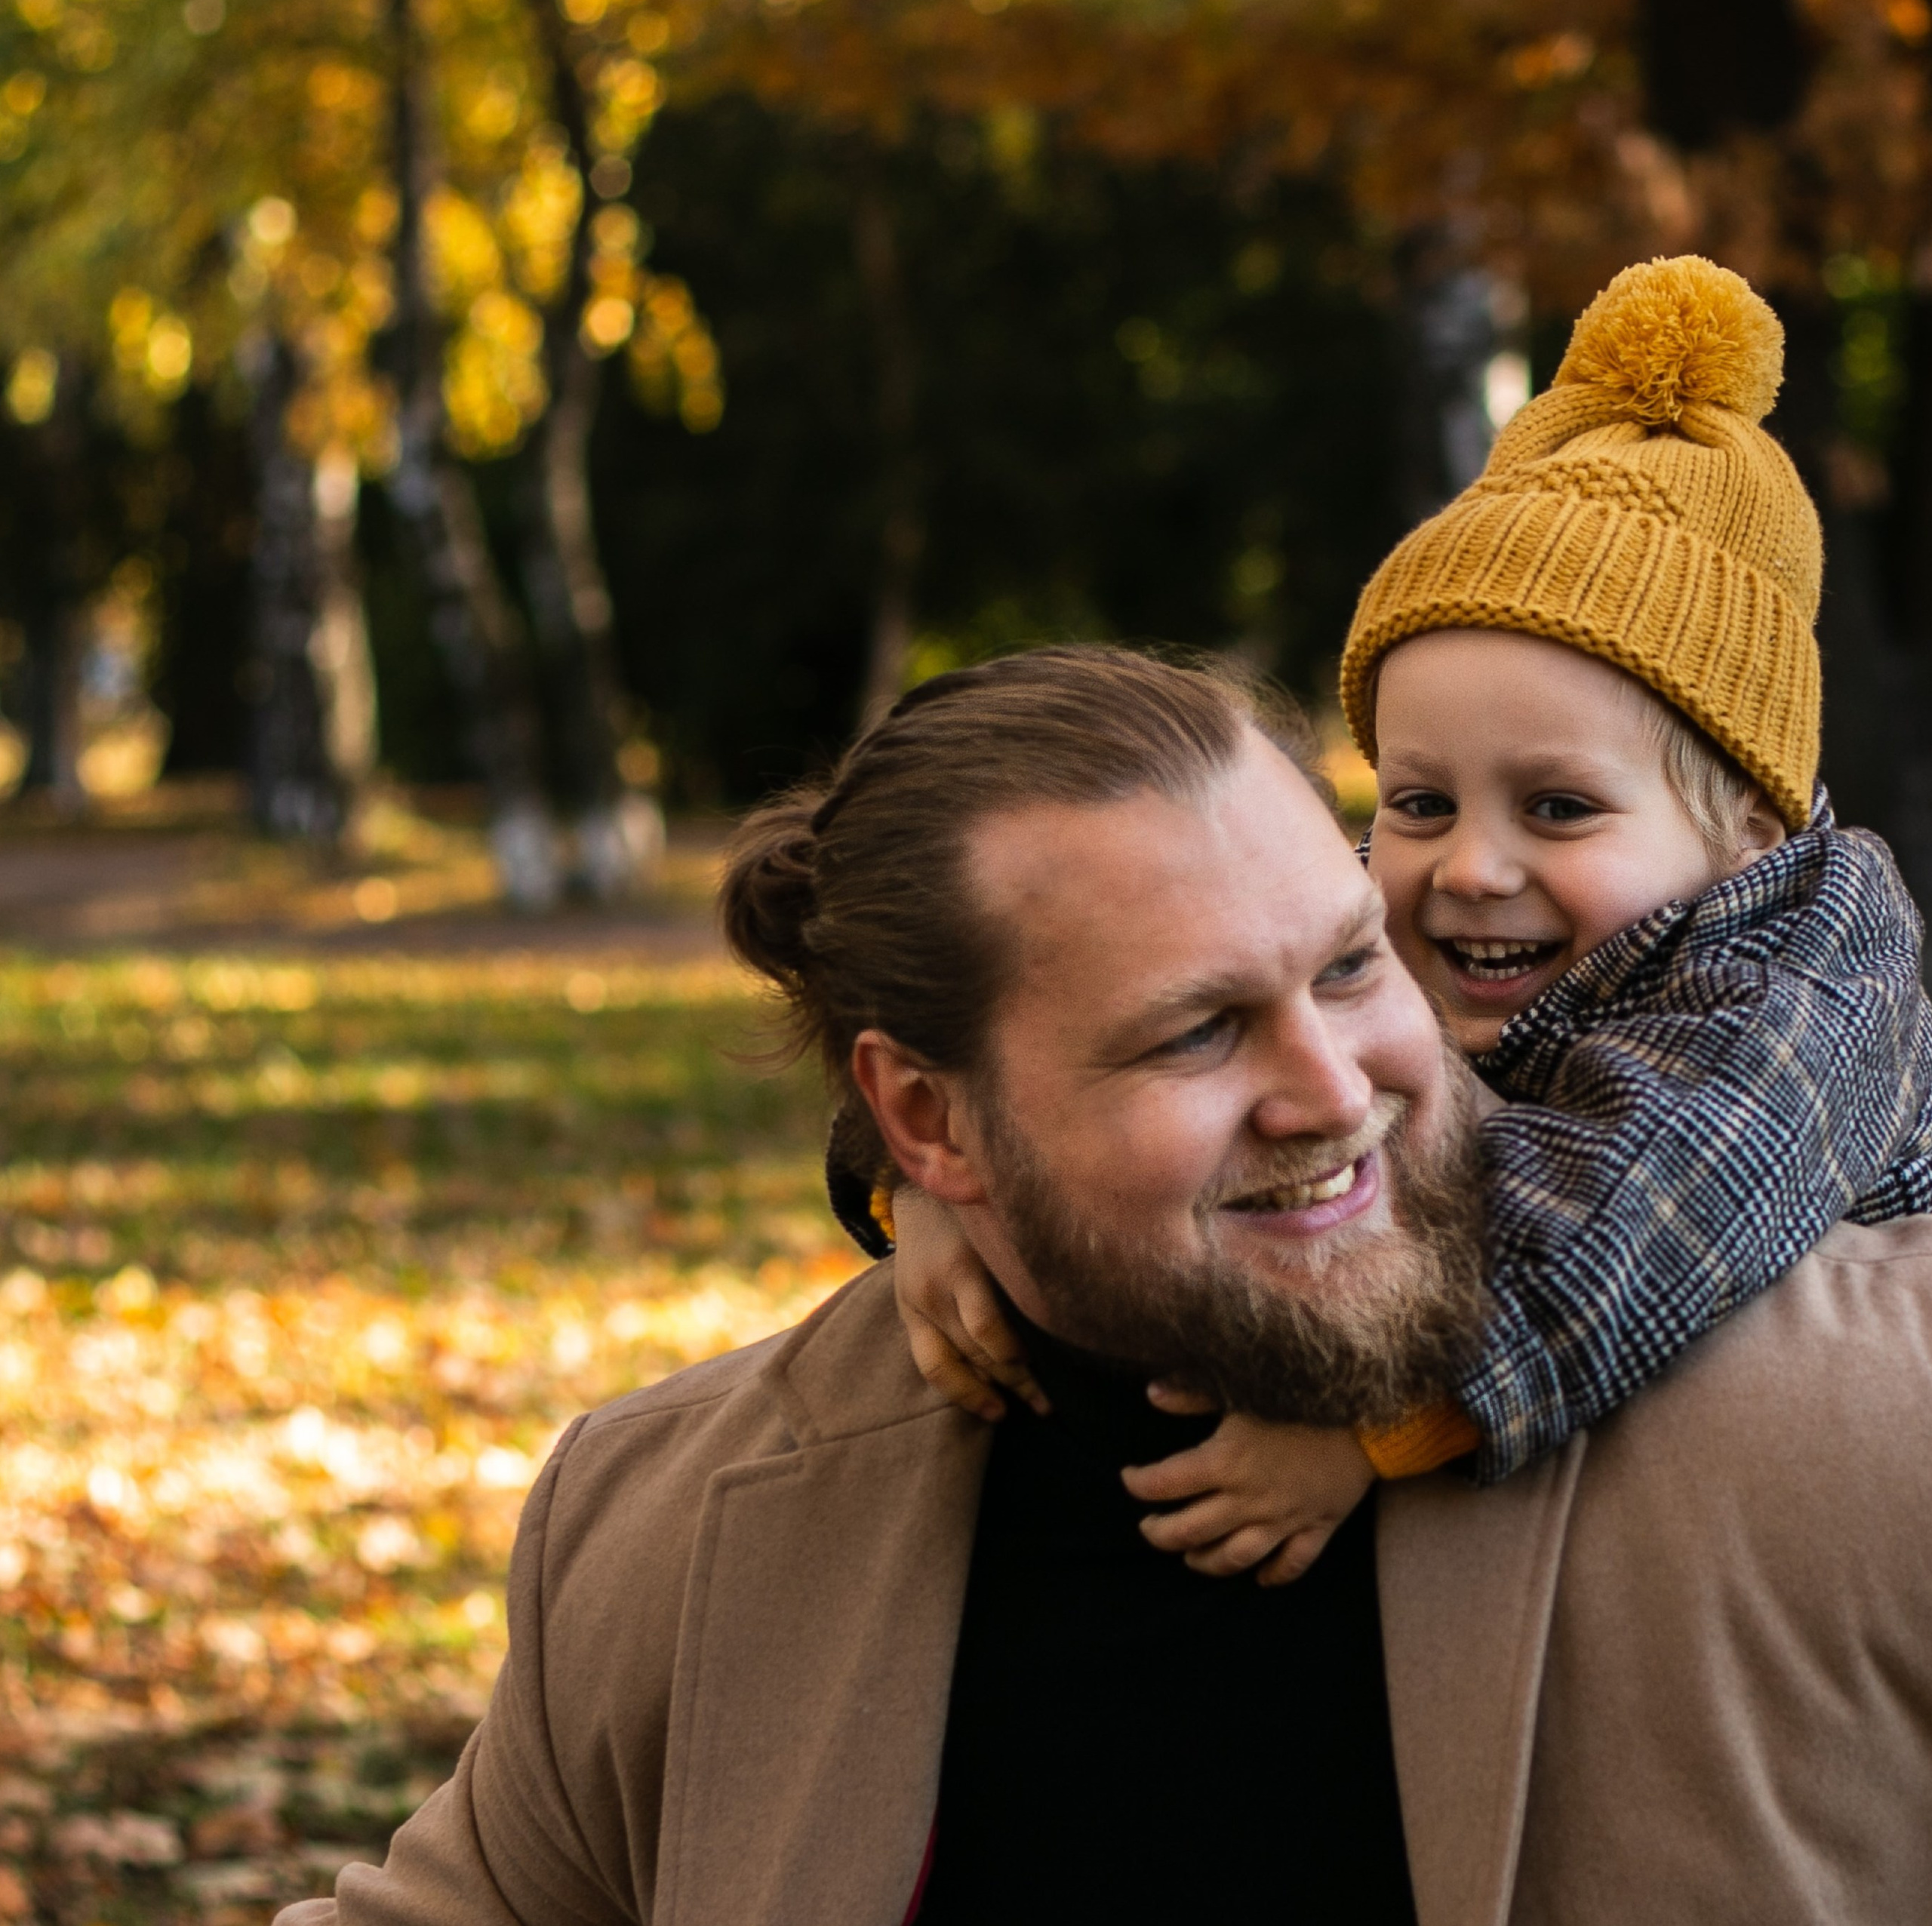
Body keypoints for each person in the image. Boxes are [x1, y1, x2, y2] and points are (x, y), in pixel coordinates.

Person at [275, 646, 1932, 1926]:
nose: (1333, 1086)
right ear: (923, 1119)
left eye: (1351, 964)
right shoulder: (679, 1518)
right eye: (1199, 1030)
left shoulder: (1859, 1420)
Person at [872, 255, 1932, 1583]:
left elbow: (1664, 1206)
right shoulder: (1413, 914)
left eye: (1556, 810)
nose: (1467, 868)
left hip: (1758, 1487)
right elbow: (1081, 1007)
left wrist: (1383, 1429)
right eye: (1421, 800)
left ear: (1746, 838)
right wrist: (927, 1179)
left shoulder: (1808, 979)